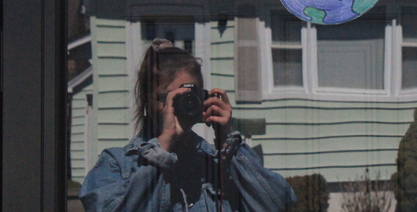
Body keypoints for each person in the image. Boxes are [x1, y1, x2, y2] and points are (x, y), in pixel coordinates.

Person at [80, 38, 296, 212]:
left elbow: (279, 204)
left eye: (191, 96)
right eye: (174, 98)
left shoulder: (216, 162)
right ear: (150, 101)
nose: (184, 105)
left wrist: (227, 144)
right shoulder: (117, 164)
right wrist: (161, 149)